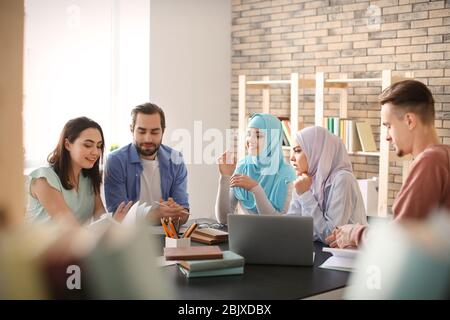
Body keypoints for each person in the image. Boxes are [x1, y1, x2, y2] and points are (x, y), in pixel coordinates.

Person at [326, 80, 450, 248]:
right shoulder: (443, 156)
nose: (387, 136)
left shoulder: (430, 161)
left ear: (409, 121)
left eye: (388, 126)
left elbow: (400, 238)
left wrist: (354, 233)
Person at [27, 117, 131, 226]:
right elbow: (70, 228)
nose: (95, 152)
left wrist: (113, 223)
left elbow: (99, 216)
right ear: (67, 145)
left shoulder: (88, 179)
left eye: (99, 146)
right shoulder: (44, 179)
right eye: (88, 145)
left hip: (76, 242)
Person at [104, 102, 189, 225]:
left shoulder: (176, 159)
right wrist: (159, 213)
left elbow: (184, 212)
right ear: (132, 130)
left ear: (163, 131)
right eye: (142, 132)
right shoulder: (115, 161)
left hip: (168, 236)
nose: (148, 139)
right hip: (130, 238)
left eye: (154, 132)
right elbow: (118, 214)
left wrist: (177, 213)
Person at [287, 126, 367, 242]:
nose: (292, 158)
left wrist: (305, 194)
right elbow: (291, 224)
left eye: (298, 151)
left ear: (316, 152)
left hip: (344, 256)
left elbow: (330, 236)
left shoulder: (343, 179)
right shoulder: (306, 180)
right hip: (315, 250)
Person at [215, 113, 296, 224]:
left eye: (258, 136)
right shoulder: (243, 166)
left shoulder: (286, 174)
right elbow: (223, 219)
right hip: (245, 237)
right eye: (249, 134)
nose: (250, 140)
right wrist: (224, 177)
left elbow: (278, 224)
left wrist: (256, 189)